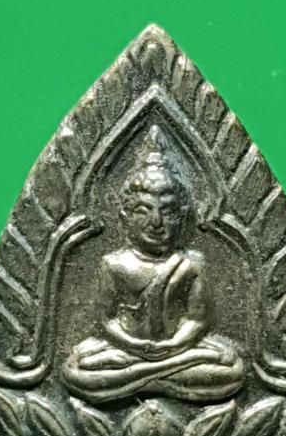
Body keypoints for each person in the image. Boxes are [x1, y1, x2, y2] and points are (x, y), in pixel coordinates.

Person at [62, 125, 244, 404]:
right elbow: (106, 320)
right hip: (127, 350)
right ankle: (159, 380)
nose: (156, 222)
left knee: (232, 368)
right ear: (125, 218)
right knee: (77, 368)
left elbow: (197, 320)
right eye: (143, 211)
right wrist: (135, 345)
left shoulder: (191, 264)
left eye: (167, 212)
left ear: (182, 218)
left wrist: (173, 345)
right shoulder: (114, 264)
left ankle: (136, 381)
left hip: (178, 351)